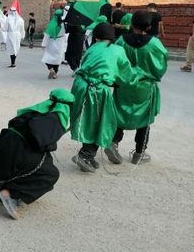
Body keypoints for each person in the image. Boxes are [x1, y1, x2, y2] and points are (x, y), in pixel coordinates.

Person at [70, 23, 143, 173]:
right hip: (97, 89)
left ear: (96, 38)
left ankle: (88, 156)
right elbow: (127, 74)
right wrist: (141, 74)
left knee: (88, 120)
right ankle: (85, 155)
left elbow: (89, 65)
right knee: (101, 122)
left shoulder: (92, 48)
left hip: (80, 85)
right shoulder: (118, 50)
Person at [0, 89, 75, 219]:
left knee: (41, 161)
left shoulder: (37, 110)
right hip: (19, 150)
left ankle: (4, 188)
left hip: (4, 143)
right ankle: (10, 194)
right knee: (50, 173)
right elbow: (44, 143)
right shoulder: (56, 117)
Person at [106, 11, 168, 165]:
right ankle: (139, 153)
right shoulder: (154, 44)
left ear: (131, 23)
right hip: (145, 86)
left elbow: (114, 62)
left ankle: (114, 143)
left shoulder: (121, 41)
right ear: (148, 26)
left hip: (124, 85)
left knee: (119, 114)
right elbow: (161, 65)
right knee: (144, 119)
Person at [41, 9, 66, 79]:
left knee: (47, 58)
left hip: (51, 43)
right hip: (60, 42)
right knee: (57, 59)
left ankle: (51, 70)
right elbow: (65, 34)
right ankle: (55, 73)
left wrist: (44, 44)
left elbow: (47, 35)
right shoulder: (63, 24)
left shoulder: (51, 24)